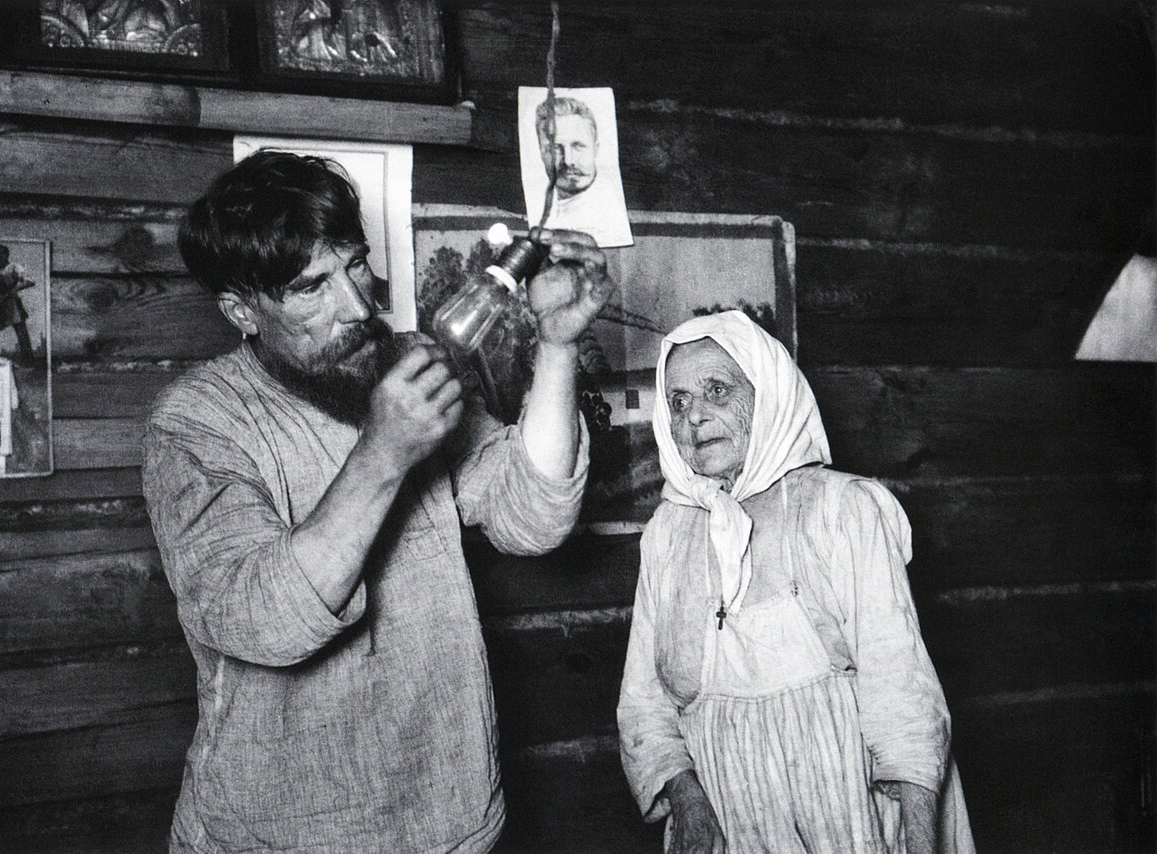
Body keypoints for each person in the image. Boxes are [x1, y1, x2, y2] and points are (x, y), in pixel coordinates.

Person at [142, 150, 612, 852]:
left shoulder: (401, 363)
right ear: (242, 311)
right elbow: (263, 622)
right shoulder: (197, 421)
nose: (359, 307)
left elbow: (532, 516)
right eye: (311, 287)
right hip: (281, 832)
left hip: (447, 814)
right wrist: (383, 454)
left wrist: (558, 346)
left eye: (356, 265)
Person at [617, 310, 974, 853]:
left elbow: (903, 697)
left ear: (768, 394)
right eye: (679, 401)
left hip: (848, 817)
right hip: (727, 822)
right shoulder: (668, 533)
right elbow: (644, 703)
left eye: (718, 390)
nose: (694, 416)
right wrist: (687, 800)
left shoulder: (842, 510)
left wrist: (920, 844)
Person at [533, 95, 632, 247]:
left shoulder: (611, 211)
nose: (568, 161)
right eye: (555, 148)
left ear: (596, 149)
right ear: (541, 152)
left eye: (578, 146)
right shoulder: (537, 205)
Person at [0, 244, 35, 362]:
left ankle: (28, 360)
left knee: (21, 330)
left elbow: (30, 281)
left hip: (11, 302)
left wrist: (14, 290)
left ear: (7, 255)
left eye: (2, 254)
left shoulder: (15, 267)